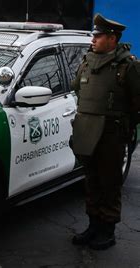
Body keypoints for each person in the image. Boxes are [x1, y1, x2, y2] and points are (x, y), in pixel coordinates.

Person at [70, 14, 140, 250]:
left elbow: (137, 102)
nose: (93, 40)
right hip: (86, 131)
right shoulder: (88, 61)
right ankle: (93, 226)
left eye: (98, 36)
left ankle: (107, 231)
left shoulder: (128, 65)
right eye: (93, 36)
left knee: (110, 183)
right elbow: (76, 87)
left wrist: (127, 128)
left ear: (112, 38)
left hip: (112, 133)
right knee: (91, 181)